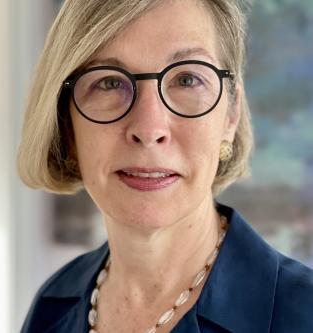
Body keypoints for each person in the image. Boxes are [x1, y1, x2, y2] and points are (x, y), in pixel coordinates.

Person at [18, 0, 313, 332]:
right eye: (109, 83)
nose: (148, 128)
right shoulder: (50, 309)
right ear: (66, 124)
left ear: (230, 116)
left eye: (187, 80)